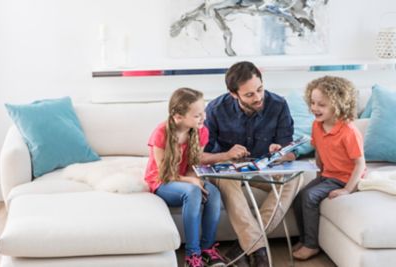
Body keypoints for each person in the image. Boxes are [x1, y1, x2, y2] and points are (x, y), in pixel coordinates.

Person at [202, 61, 303, 267]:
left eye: (260, 90)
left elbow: (290, 152)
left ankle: (245, 245)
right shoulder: (215, 109)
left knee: (295, 179)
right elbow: (201, 155)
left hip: (263, 169)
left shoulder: (278, 105)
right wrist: (226, 155)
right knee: (227, 183)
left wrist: (280, 153)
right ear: (233, 94)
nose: (258, 98)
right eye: (249, 95)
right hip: (228, 171)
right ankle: (260, 254)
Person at [144, 88, 226, 267]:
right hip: (162, 181)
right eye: (197, 115)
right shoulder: (161, 133)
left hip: (185, 179)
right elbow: (164, 173)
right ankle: (192, 255)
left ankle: (207, 249)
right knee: (193, 192)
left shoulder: (201, 131)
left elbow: (193, 166)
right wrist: (192, 181)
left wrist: (195, 178)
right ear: (178, 116)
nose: (203, 117)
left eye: (203, 112)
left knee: (214, 194)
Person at [292, 76, 366, 260]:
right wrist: (319, 173)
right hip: (328, 175)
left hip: (346, 178)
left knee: (309, 196)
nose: (315, 108)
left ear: (338, 105)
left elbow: (360, 163)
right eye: (312, 103)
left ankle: (311, 245)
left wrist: (347, 189)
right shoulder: (317, 125)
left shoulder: (348, 131)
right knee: (299, 196)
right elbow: (319, 150)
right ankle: (304, 238)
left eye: (321, 105)